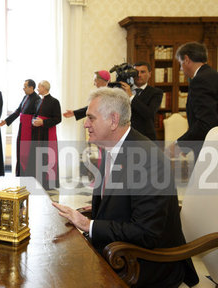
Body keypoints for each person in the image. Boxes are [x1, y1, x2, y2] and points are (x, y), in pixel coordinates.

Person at [52, 88, 199, 288]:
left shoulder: (148, 160)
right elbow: (118, 204)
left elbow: (146, 233)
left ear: (113, 120)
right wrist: (86, 214)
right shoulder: (111, 145)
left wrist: (88, 225)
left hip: (147, 264)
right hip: (120, 251)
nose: (85, 124)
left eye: (91, 118)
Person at [168, 42, 218, 160]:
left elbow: (205, 122)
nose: (181, 69)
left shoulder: (200, 80)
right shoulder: (217, 77)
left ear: (186, 59)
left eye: (181, 64)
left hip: (212, 151)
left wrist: (180, 145)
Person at [0, 79, 40, 176]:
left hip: (29, 130)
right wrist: (6, 121)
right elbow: (17, 112)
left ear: (31, 87)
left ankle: (27, 175)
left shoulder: (37, 99)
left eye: (25, 86)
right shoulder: (25, 97)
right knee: (20, 151)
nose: (23, 88)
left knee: (27, 154)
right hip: (22, 128)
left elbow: (36, 115)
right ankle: (20, 174)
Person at [119, 61, 163, 140]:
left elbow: (149, 113)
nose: (139, 75)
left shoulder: (156, 92)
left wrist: (131, 96)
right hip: (125, 136)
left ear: (149, 74)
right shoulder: (123, 90)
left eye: (142, 72)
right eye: (136, 72)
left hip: (146, 137)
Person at [31, 80, 61, 189]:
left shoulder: (54, 101)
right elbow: (35, 115)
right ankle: (39, 179)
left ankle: (49, 182)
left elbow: (58, 119)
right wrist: (34, 121)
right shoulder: (38, 101)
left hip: (48, 132)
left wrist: (43, 122)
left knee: (48, 156)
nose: (37, 89)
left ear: (44, 88)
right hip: (38, 133)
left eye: (39, 87)